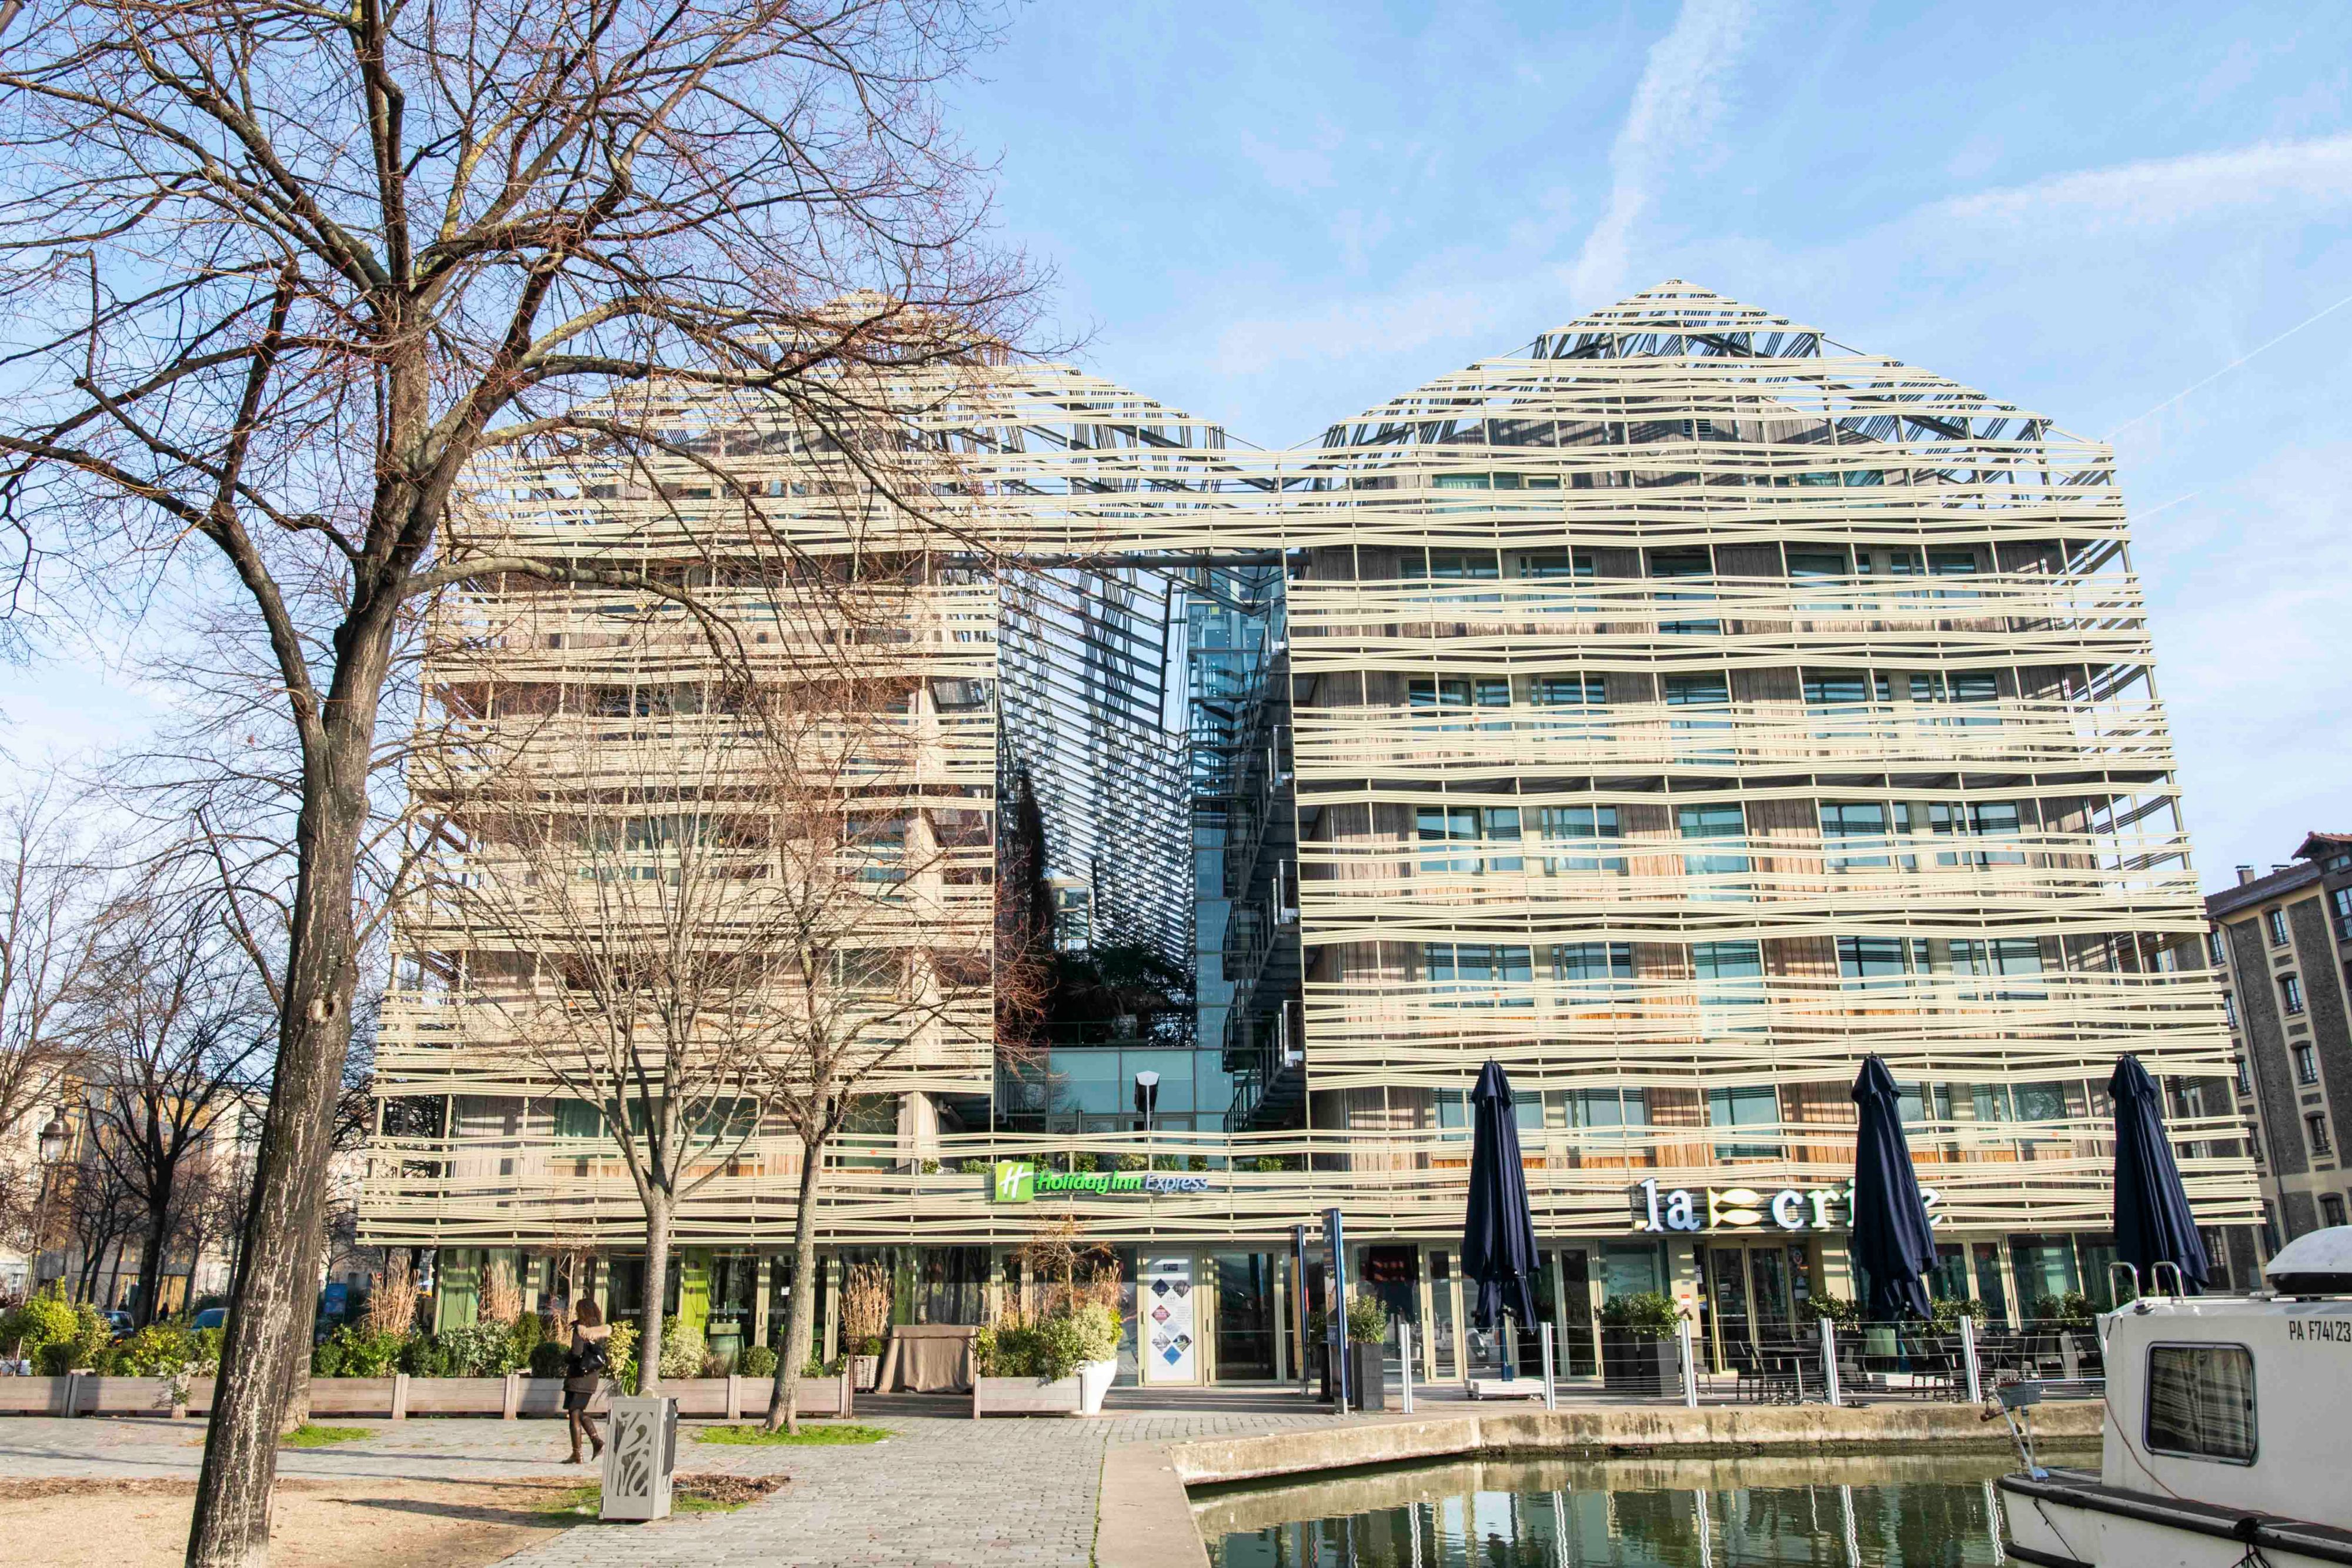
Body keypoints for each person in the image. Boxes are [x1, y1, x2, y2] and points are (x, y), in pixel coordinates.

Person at [562, 1299, 611, 1465]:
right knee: (578, 1411)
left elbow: (576, 1353)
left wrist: (566, 1357)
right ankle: (596, 1442)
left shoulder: (580, 1330)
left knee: (574, 1414)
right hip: (591, 1378)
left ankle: (578, 1454)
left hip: (577, 1377)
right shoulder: (602, 1332)